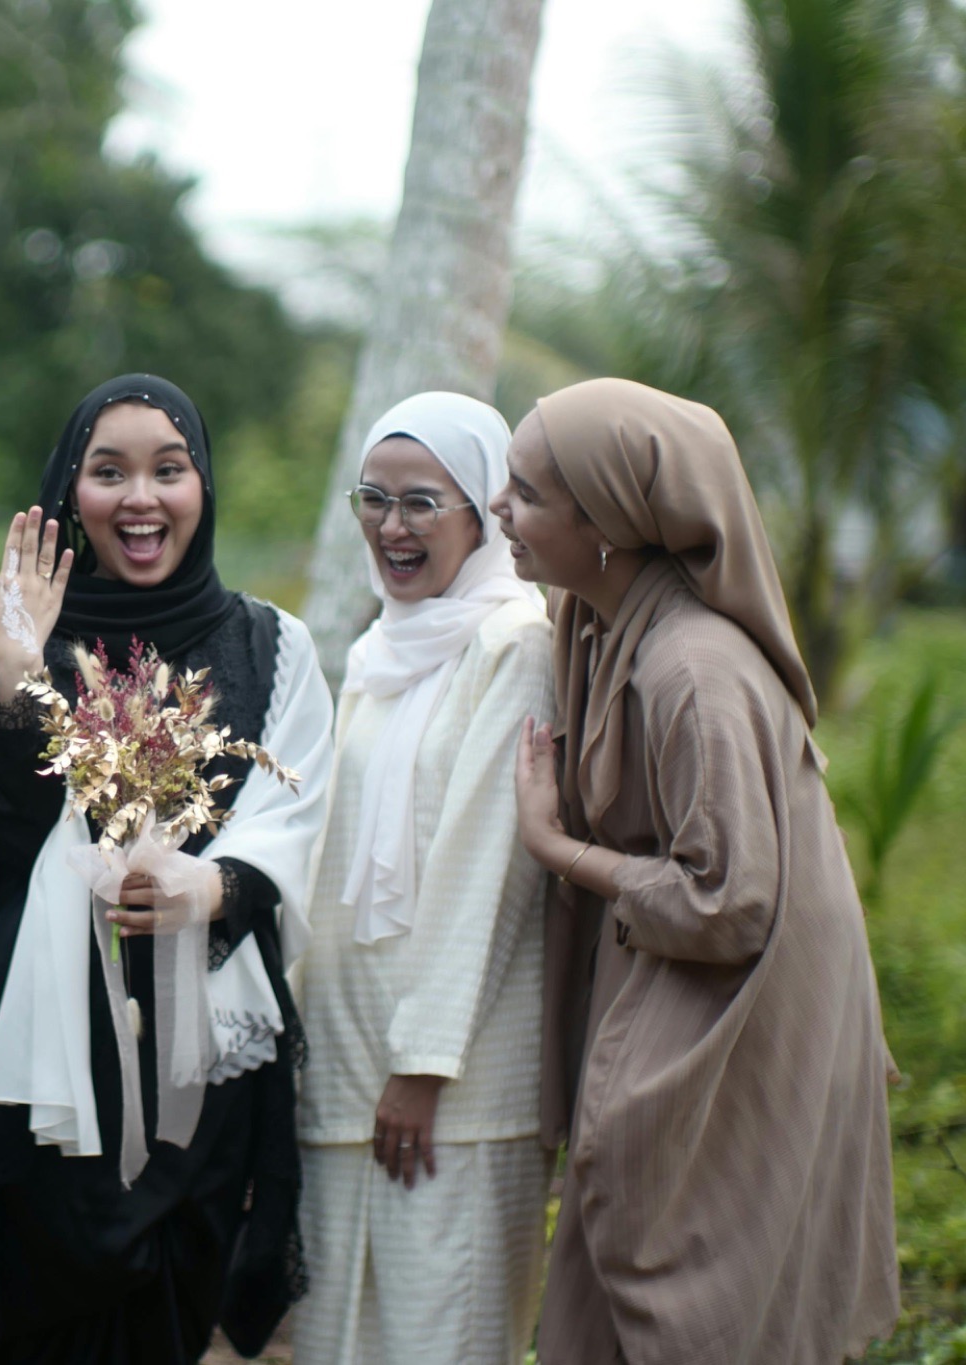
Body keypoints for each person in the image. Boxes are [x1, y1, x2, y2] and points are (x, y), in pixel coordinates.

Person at [495, 377, 899, 1363]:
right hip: (670, 985)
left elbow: (728, 902)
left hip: (744, 1020)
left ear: (609, 524)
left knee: (707, 1301)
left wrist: (556, 848)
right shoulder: (595, 624)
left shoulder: (690, 672)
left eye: (526, 493)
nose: (497, 508)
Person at [0, 374, 335, 1364]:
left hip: (203, 1060)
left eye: (168, 469)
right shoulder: (15, 642)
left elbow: (294, 814)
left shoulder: (270, 645)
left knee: (171, 1314)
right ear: (70, 495)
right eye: (106, 472)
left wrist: (209, 885)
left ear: (203, 486)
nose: (140, 498)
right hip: (46, 1058)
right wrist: (19, 679)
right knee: (44, 1319)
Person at [290, 393, 552, 1365]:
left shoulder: (514, 643)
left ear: (481, 514)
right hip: (346, 1068)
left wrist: (422, 1063)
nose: (391, 527)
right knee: (335, 1342)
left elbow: (492, 862)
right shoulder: (375, 654)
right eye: (374, 499)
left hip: (457, 1090)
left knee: (443, 1335)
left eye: (421, 503)